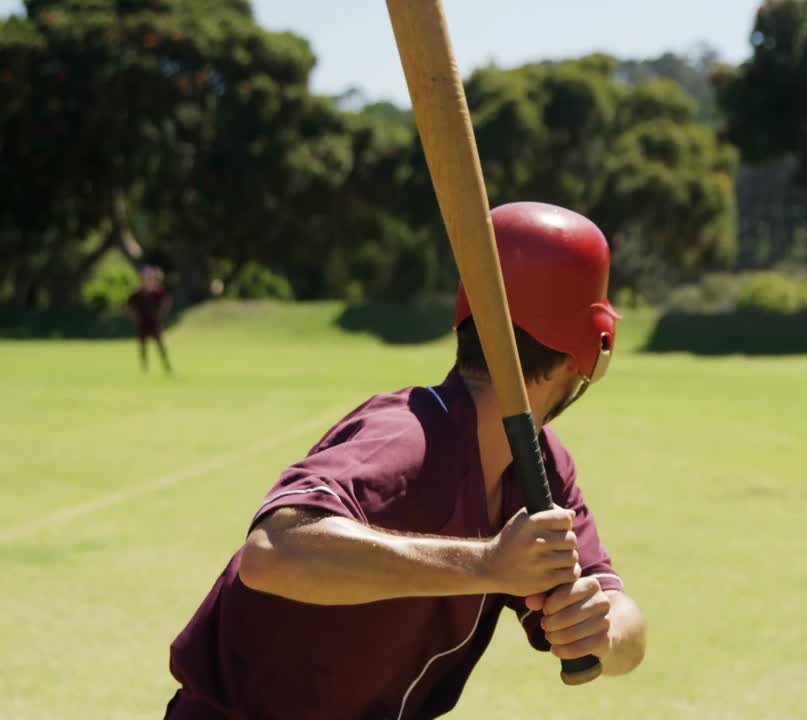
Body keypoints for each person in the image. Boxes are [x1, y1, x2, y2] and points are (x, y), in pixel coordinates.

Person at [165, 202, 646, 719]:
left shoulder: (539, 467)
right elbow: (271, 553)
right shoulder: (406, 439)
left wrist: (601, 627)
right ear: (587, 352)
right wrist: (487, 565)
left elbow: (625, 624)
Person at [126, 265, 173, 373]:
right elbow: (129, 307)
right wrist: (135, 317)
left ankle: (167, 366)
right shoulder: (137, 293)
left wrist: (161, 314)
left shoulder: (158, 292)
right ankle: (144, 368)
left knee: (160, 345)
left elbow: (167, 301)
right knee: (142, 346)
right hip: (143, 323)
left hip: (154, 322)